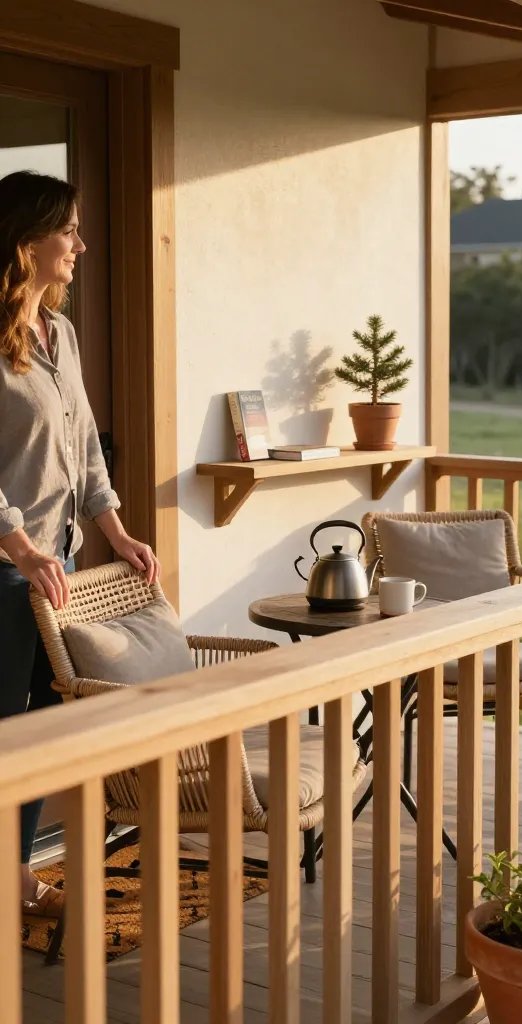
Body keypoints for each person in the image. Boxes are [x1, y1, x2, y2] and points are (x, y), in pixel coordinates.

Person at [0, 170, 160, 917]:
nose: (81, 245)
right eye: (68, 230)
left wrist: (116, 532)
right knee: (8, 732)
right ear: (26, 241)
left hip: (54, 569)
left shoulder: (59, 335)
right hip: (8, 572)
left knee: (40, 726)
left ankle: (12, 880)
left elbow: (86, 445)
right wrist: (19, 546)